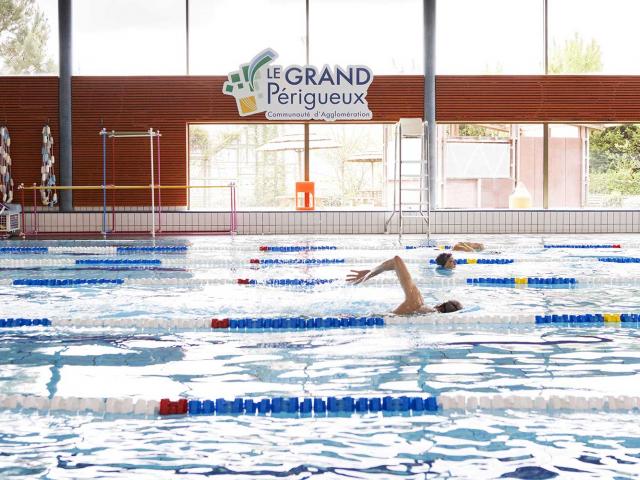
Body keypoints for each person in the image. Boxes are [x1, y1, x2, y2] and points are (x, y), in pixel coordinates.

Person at [346, 255, 463, 315]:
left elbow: (396, 260)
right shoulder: (421, 313)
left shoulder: (416, 300)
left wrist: (370, 273)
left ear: (440, 304)